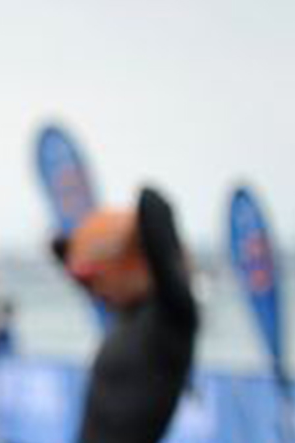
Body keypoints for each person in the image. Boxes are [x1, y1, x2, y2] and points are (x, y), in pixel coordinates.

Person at [55, 188, 197, 443]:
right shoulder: (124, 311)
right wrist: (84, 246)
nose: (99, 288)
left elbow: (153, 205)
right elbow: (64, 255)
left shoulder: (173, 315)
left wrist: (121, 234)